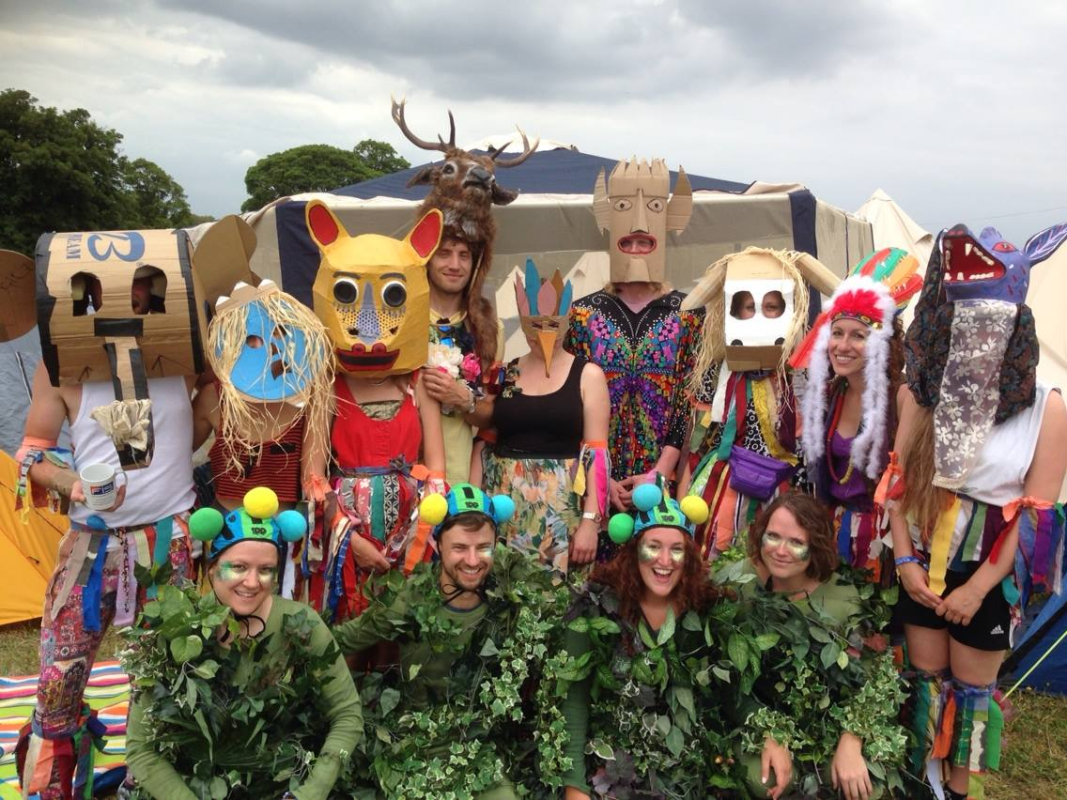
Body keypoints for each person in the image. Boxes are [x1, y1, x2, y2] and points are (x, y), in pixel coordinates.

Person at [886, 223, 1067, 800]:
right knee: (924, 684)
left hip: (987, 569)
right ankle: (920, 786)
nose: (981, 336)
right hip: (920, 560)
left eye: (994, 323)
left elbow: (1035, 515)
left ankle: (958, 792)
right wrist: (906, 562)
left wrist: (980, 586)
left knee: (971, 696)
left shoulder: (1047, 410)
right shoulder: (919, 392)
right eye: (970, 322)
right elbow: (898, 485)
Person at [15, 351, 197, 795]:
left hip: (165, 541)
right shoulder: (60, 359)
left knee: (162, 680)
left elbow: (207, 418)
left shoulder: (187, 349)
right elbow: (31, 452)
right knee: (59, 678)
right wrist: (70, 483)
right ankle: (54, 789)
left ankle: (147, 786)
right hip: (90, 546)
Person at [331, 484, 569, 798]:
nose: (473, 560)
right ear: (438, 544)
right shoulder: (410, 600)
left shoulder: (512, 601)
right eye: (460, 548)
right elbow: (342, 640)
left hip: (480, 753)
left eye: (483, 547)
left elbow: (555, 651)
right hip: (413, 750)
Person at [124, 487, 363, 799]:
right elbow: (140, 747)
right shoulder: (176, 629)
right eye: (238, 567)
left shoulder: (302, 626)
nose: (252, 583)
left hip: (283, 785)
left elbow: (347, 715)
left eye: (265, 570)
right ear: (212, 568)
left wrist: (310, 793)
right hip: (193, 785)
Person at [559, 485, 783, 798]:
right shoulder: (595, 605)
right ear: (635, 549)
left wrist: (767, 732)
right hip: (614, 754)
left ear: (689, 555)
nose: (665, 561)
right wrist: (575, 785)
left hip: (687, 756)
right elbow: (575, 698)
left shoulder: (705, 608)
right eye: (653, 547)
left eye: (676, 549)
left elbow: (731, 692)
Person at [301, 201, 447, 622]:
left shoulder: (419, 384)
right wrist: (349, 539)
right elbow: (312, 477)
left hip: (412, 536)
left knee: (401, 632)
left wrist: (414, 539)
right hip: (348, 537)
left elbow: (436, 470)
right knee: (350, 628)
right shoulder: (327, 387)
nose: (369, 326)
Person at [723, 492, 907, 799]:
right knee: (764, 782)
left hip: (829, 725)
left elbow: (878, 677)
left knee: (867, 788)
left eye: (796, 542)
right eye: (773, 536)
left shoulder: (843, 600)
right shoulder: (741, 584)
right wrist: (768, 732)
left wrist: (851, 738)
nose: (781, 551)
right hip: (764, 718)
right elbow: (726, 680)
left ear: (816, 544)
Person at [679, 246, 839, 558]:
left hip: (787, 492)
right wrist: (682, 497)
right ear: (733, 311)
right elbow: (696, 443)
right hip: (725, 489)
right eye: (748, 307)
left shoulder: (809, 370)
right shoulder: (716, 370)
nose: (758, 316)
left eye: (771, 306)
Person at [565, 158, 700, 520]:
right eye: (630, 237)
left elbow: (690, 399)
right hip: (596, 481)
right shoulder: (583, 315)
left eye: (646, 238)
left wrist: (662, 470)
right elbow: (571, 400)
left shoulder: (688, 313)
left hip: (662, 477)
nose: (638, 242)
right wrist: (599, 479)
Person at [192, 279, 334, 598]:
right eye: (252, 340)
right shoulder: (211, 398)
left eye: (280, 335)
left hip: (281, 536)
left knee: (275, 625)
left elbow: (314, 471)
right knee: (220, 622)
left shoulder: (314, 396)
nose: (267, 347)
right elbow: (171, 453)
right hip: (223, 529)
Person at [472, 259, 610, 578]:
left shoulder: (588, 375)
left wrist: (591, 521)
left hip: (562, 509)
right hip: (502, 502)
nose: (544, 334)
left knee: (560, 601)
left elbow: (597, 454)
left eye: (553, 324)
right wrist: (473, 504)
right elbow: (484, 442)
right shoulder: (506, 370)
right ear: (523, 321)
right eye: (535, 325)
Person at [791, 248, 921, 583]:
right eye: (837, 333)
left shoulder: (903, 397)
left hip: (882, 543)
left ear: (882, 342)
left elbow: (901, 486)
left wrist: (904, 555)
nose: (843, 345)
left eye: (858, 335)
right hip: (828, 537)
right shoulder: (830, 393)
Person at [420, 234, 505, 486]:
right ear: (427, 259)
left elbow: (493, 415)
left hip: (462, 482)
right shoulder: (401, 323)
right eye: (444, 253)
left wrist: (464, 400)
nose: (455, 265)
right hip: (403, 476)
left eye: (464, 255)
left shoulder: (490, 330)